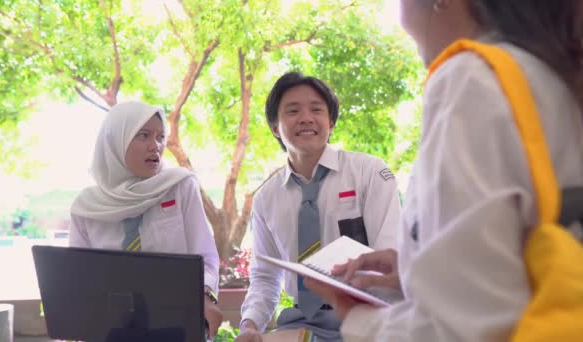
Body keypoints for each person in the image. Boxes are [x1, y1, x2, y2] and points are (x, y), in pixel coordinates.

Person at [304, 0, 583, 341]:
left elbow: (463, 331)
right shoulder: (558, 77)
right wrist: (419, 273)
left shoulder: (471, 80)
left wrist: (359, 319)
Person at [237, 72, 402, 342]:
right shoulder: (267, 198)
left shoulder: (369, 172)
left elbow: (389, 256)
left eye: (316, 109)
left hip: (365, 317)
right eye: (293, 111)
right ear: (275, 127)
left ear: (331, 122)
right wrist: (249, 325)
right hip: (299, 323)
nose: (306, 118)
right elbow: (266, 278)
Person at [69, 101, 223, 338]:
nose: (156, 146)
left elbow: (206, 258)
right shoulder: (86, 207)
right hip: (111, 331)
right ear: (116, 141)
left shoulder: (180, 186)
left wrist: (205, 294)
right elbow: (78, 279)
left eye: (161, 137)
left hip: (176, 325)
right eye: (143, 136)